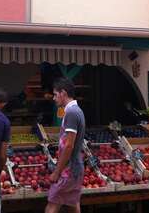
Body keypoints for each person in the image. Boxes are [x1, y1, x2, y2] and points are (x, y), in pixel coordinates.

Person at [46, 78, 86, 213]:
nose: (53, 98)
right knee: (73, 204)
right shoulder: (76, 111)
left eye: (55, 94)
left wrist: (57, 172)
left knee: (52, 204)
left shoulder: (71, 113)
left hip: (68, 170)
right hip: (75, 168)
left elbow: (69, 145)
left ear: (63, 93)